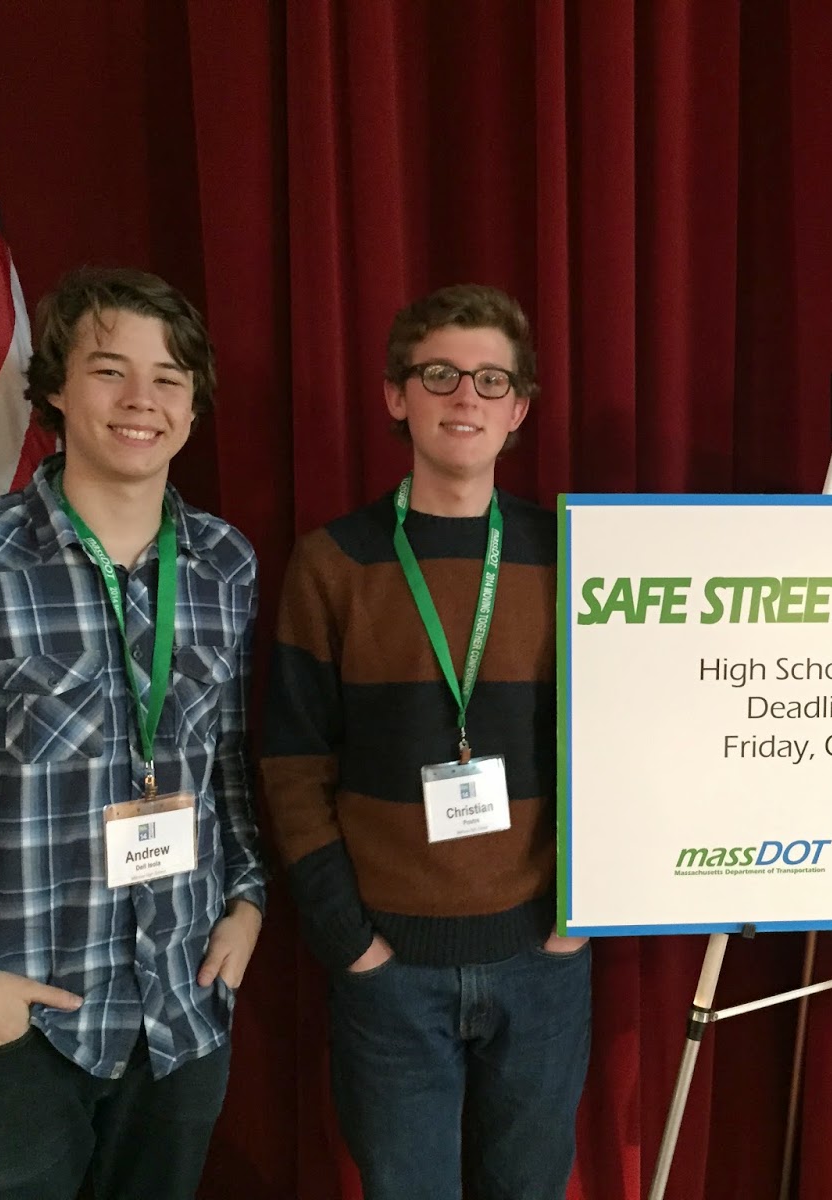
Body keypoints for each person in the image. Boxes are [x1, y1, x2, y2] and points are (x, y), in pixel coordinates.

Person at [0, 266, 265, 1199]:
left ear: (193, 407)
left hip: (181, 1011)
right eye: (110, 370)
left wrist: (249, 901)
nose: (142, 400)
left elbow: (226, 760)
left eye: (169, 378)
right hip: (19, 1029)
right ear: (56, 388)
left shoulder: (224, 565)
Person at [261, 283, 590, 1198]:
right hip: (389, 972)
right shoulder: (333, 561)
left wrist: (575, 921)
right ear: (395, 395)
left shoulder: (568, 552)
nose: (465, 396)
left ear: (519, 409)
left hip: (542, 960)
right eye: (439, 374)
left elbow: (612, 747)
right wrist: (351, 942)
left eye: (492, 380)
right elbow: (292, 765)